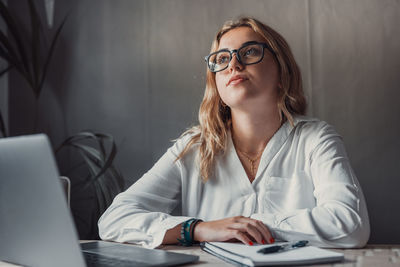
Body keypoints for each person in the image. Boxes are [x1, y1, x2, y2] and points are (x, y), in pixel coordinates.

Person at [98, 17, 370, 249]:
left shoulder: (315, 139)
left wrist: (247, 226)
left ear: (281, 71)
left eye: (250, 52)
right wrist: (197, 229)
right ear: (215, 83)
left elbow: (350, 223)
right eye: (222, 58)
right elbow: (114, 219)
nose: (233, 65)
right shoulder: (194, 147)